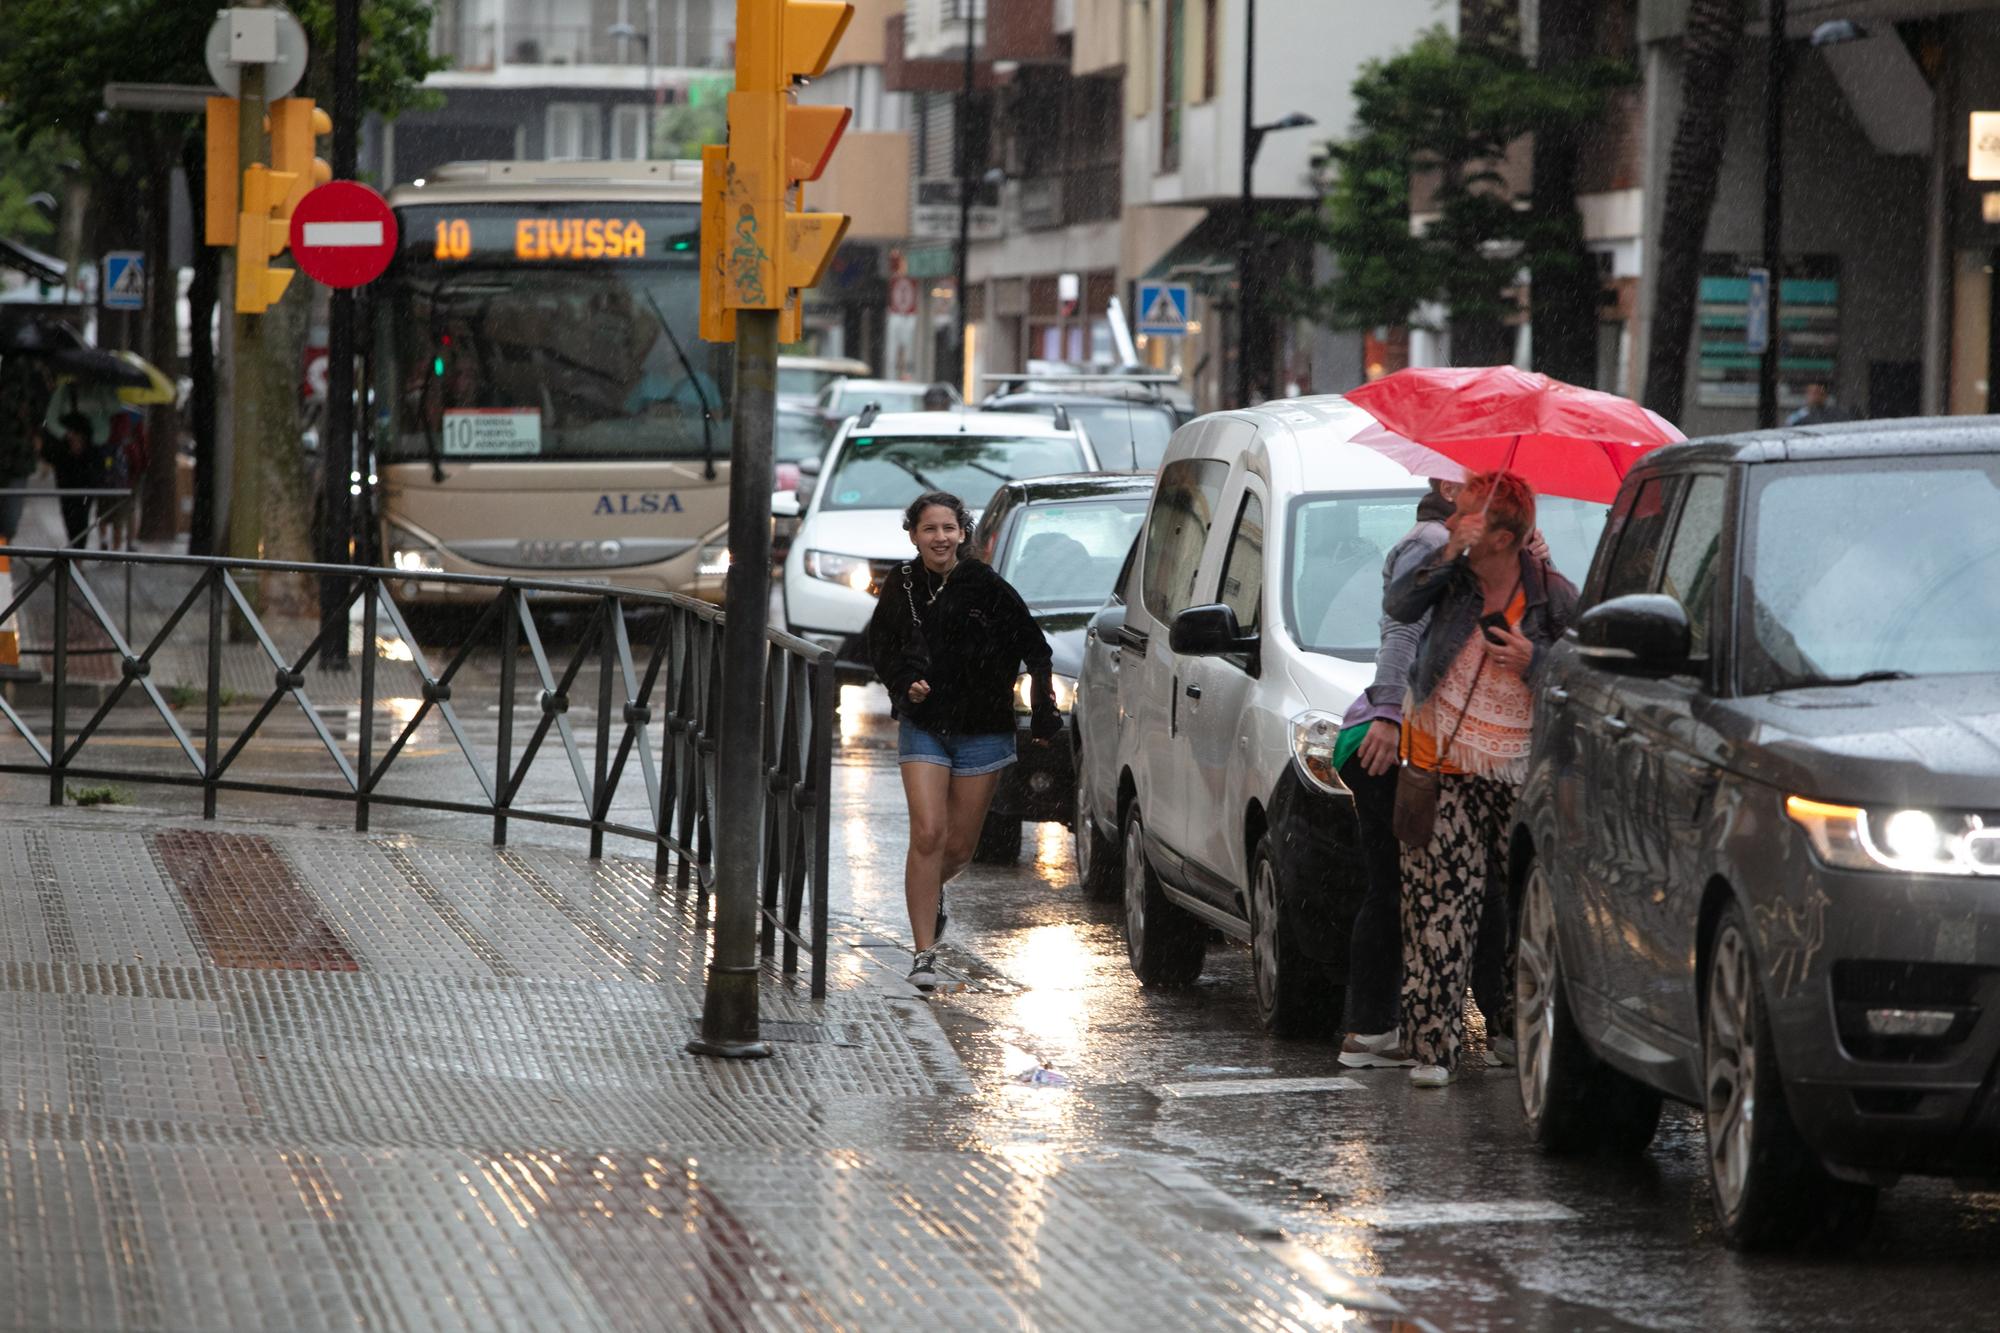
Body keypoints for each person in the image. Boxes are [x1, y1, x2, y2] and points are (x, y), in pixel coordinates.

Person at [1383, 471, 1579, 1088]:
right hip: (1441, 764)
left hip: (1522, 772)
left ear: (1501, 536)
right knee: (1438, 908)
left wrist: (1535, 662)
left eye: (1467, 514)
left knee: (1527, 911)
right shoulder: (1451, 577)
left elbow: (1585, 683)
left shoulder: (1552, 595)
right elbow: (1398, 604)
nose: (1454, 519)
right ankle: (1431, 1050)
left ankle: (1526, 1032)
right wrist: (1445, 550)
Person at [865, 490, 1062, 990]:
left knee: (957, 849)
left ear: (962, 533)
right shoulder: (902, 584)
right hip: (925, 725)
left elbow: (1036, 648)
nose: (940, 538)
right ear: (913, 534)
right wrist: (904, 682)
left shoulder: (985, 585)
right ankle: (924, 951)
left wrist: (1042, 713)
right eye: (929, 529)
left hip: (983, 731)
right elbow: (882, 647)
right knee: (927, 834)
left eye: (948, 529)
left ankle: (932, 897)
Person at [1333, 480, 1456, 1069]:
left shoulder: (1454, 541)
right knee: (1402, 886)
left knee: (1400, 886)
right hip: (1394, 740)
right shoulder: (1433, 540)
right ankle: (1372, 1027)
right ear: (1450, 483)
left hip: (1415, 737)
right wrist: (1386, 711)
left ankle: (1374, 1028)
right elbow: (1402, 630)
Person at [1785, 380, 1851, 427]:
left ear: (1825, 395)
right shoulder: (1796, 417)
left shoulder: (1836, 415)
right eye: (1811, 392)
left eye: (1818, 392)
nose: (1814, 396)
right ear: (1806, 394)